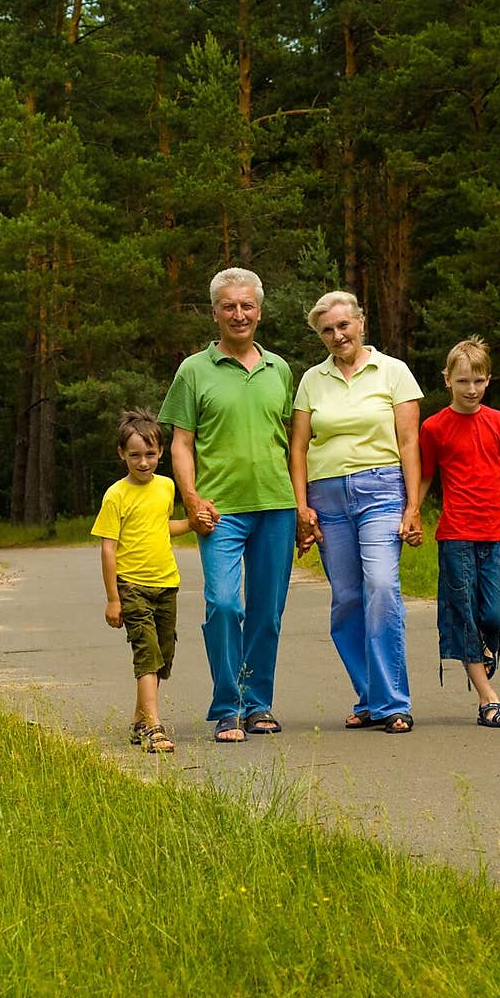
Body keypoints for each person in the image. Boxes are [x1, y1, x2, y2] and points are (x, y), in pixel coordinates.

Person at [158, 268, 297, 743]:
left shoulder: (280, 369)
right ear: (214, 312)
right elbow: (180, 442)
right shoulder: (193, 370)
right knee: (221, 603)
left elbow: (292, 443)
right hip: (219, 511)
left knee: (267, 610)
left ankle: (257, 704)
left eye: (247, 306)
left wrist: (304, 507)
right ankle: (226, 705)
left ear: (259, 310)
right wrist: (191, 498)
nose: (239, 314)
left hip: (277, 505)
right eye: (229, 307)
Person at [291, 291, 423, 734]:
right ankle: (369, 697)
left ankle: (393, 702)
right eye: (327, 330)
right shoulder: (312, 379)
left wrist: (413, 506)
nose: (337, 335)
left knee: (382, 586)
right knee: (347, 598)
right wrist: (301, 506)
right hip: (326, 497)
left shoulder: (394, 372)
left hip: (381, 491)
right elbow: (299, 448)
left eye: (343, 325)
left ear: (361, 323)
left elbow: (409, 443)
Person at [418, 335, 500, 729]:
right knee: (464, 615)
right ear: (447, 379)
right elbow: (425, 476)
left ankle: (483, 650)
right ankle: (489, 700)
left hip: (495, 535)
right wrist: (411, 512)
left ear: (488, 379)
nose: (471, 389)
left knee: (496, 614)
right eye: (463, 381)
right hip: (456, 535)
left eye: (478, 381)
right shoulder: (434, 427)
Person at [90, 407, 197, 755]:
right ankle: (153, 726)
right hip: (132, 586)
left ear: (161, 452)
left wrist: (192, 524)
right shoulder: (115, 495)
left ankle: (139, 718)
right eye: (134, 455)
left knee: (163, 656)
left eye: (150, 454)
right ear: (121, 454)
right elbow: (109, 549)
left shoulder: (166, 487)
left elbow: (163, 527)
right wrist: (113, 598)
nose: (143, 462)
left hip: (166, 584)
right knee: (146, 653)